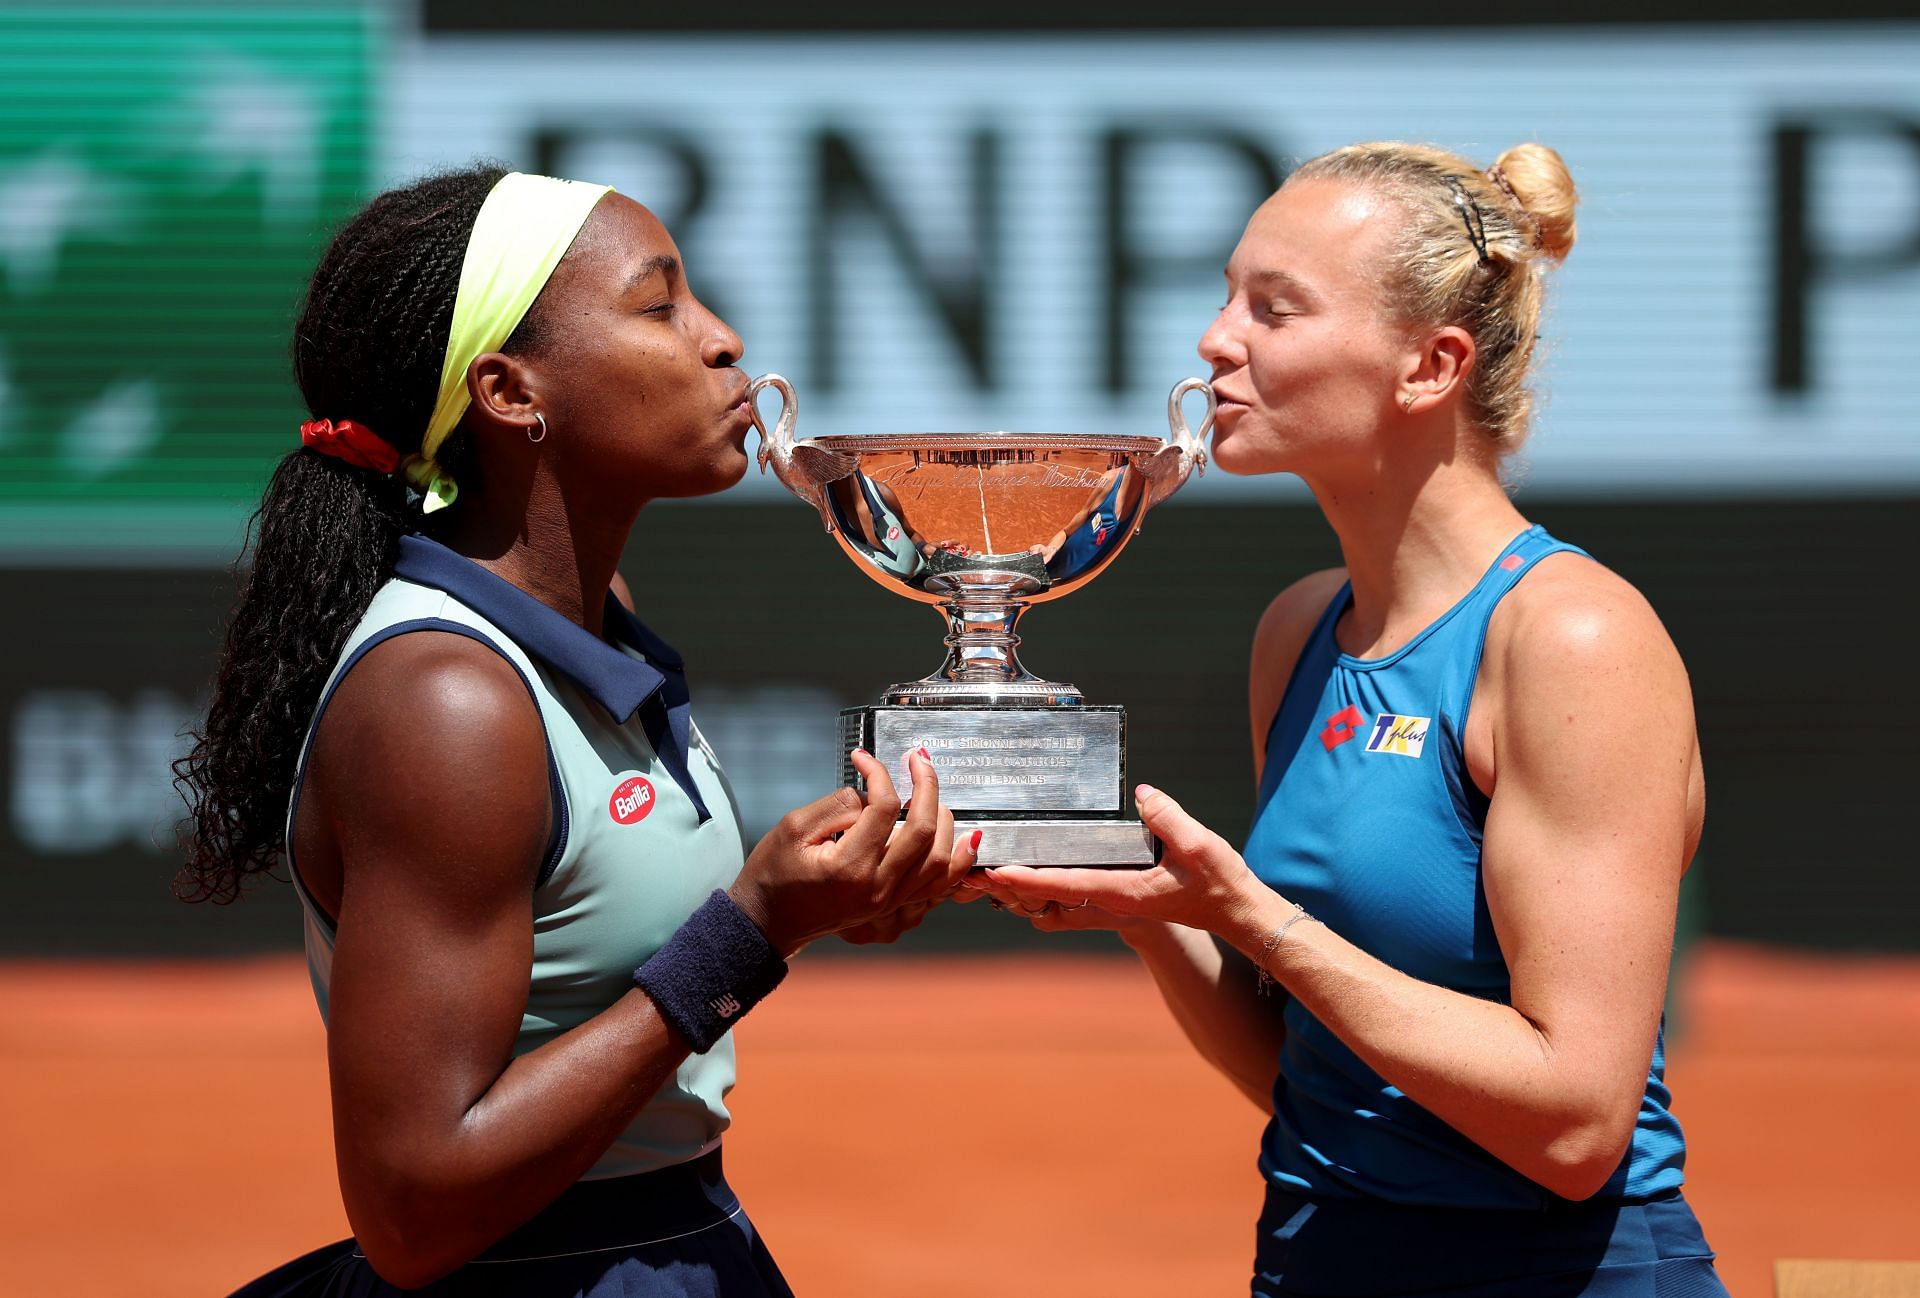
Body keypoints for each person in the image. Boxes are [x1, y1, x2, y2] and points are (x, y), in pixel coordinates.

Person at [172, 165, 977, 1297]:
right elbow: (412, 1207)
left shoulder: (604, 616)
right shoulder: (447, 700)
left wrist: (833, 897)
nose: (724, 339)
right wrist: (750, 931)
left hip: (683, 1244)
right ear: (509, 391)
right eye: (661, 307)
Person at [971, 142, 1728, 1297]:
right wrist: (1150, 914)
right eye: (1228, 297)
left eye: (1273, 308)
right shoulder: (1301, 627)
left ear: (1430, 365)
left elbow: (1574, 1127)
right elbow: (1313, 1068)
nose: (1216, 340)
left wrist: (1257, 919)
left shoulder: (1573, 639)